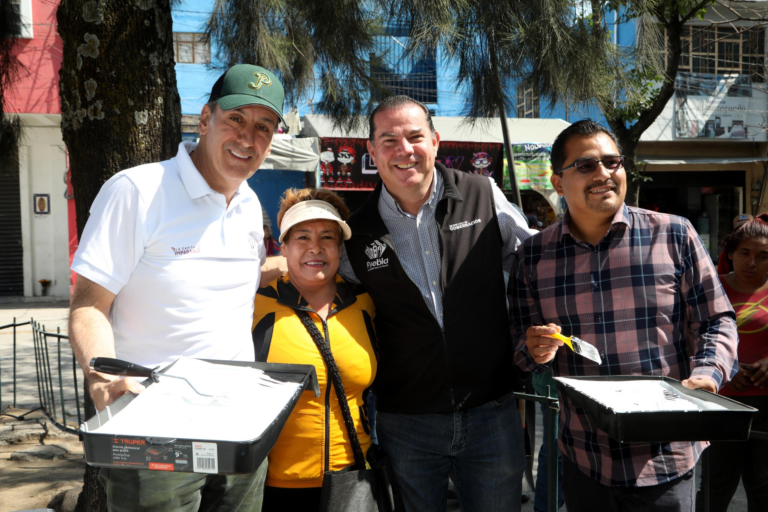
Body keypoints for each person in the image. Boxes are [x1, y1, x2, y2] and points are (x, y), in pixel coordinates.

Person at [68, 64, 285, 512]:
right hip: (155, 430)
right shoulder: (137, 191)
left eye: (263, 127)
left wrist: (289, 266)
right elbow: (88, 306)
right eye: (235, 120)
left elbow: (226, 281)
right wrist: (101, 378)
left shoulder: (248, 203)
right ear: (205, 120)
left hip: (239, 422)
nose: (248, 138)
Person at [510, 120, 739, 512]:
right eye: (586, 165)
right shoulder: (533, 256)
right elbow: (518, 345)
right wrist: (533, 349)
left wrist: (708, 373)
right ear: (558, 181)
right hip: (585, 458)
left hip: (666, 458)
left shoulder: (674, 235)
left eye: (612, 162)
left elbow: (716, 320)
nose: (603, 173)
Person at [339, 95, 534, 511]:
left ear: (435, 141)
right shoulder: (357, 232)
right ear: (371, 151)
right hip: (405, 423)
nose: (403, 150)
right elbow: (329, 293)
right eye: (388, 140)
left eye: (414, 136)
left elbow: (536, 261)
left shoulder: (482, 194)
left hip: (492, 414)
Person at [251, 188, 377, 511]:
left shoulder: (366, 302)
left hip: (354, 481)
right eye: (302, 237)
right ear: (284, 246)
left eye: (327, 238)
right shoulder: (254, 302)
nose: (315, 248)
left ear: (340, 247)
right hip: (274, 486)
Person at [699, 214, 768, 512]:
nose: (752, 262)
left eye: (764, 256)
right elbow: (691, 338)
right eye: (745, 253)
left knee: (764, 488)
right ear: (730, 253)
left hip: (766, 408)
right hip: (720, 406)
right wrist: (726, 370)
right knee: (716, 487)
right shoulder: (710, 289)